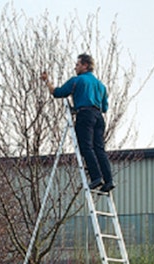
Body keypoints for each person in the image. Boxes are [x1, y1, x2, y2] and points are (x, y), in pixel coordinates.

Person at [41, 54, 115, 193]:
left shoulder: (77, 80)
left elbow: (58, 92)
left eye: (77, 64)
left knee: (85, 147)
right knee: (99, 149)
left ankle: (96, 177)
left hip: (85, 115)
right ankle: (109, 180)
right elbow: (105, 108)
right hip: (99, 117)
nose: (75, 67)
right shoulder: (101, 86)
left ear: (85, 65)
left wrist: (47, 82)